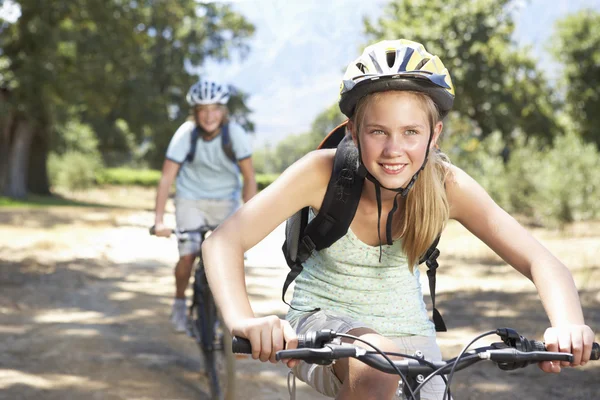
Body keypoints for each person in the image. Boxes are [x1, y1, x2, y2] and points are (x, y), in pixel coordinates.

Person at [201, 39, 595, 399]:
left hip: (412, 337)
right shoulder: (321, 174)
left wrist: (567, 325)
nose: (394, 149)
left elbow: (543, 261)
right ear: (354, 131)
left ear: (433, 135)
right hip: (322, 326)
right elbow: (222, 241)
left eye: (410, 132)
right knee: (380, 368)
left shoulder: (446, 185)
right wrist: (244, 320)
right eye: (378, 131)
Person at [153, 76, 257, 333]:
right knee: (188, 255)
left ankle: (234, 317)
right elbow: (167, 177)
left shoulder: (235, 134)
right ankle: (179, 302)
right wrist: (158, 221)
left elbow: (249, 177)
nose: (209, 116)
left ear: (223, 112)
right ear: (195, 113)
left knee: (230, 259)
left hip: (226, 201)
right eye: (203, 110)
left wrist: (252, 216)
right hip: (191, 199)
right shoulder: (185, 135)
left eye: (214, 109)